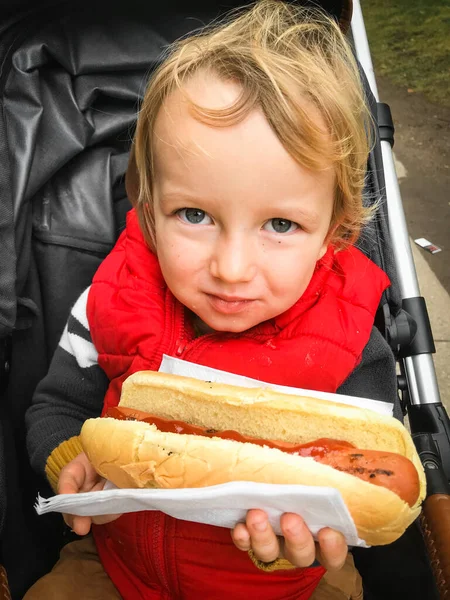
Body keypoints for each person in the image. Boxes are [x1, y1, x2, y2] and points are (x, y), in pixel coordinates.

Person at [24, 1, 396, 598]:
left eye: (280, 225)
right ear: (148, 208)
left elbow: (372, 475)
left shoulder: (350, 345)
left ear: (334, 231)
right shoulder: (109, 303)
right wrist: (73, 460)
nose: (231, 268)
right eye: (194, 215)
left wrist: (329, 530)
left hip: (289, 581)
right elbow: (57, 407)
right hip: (118, 565)